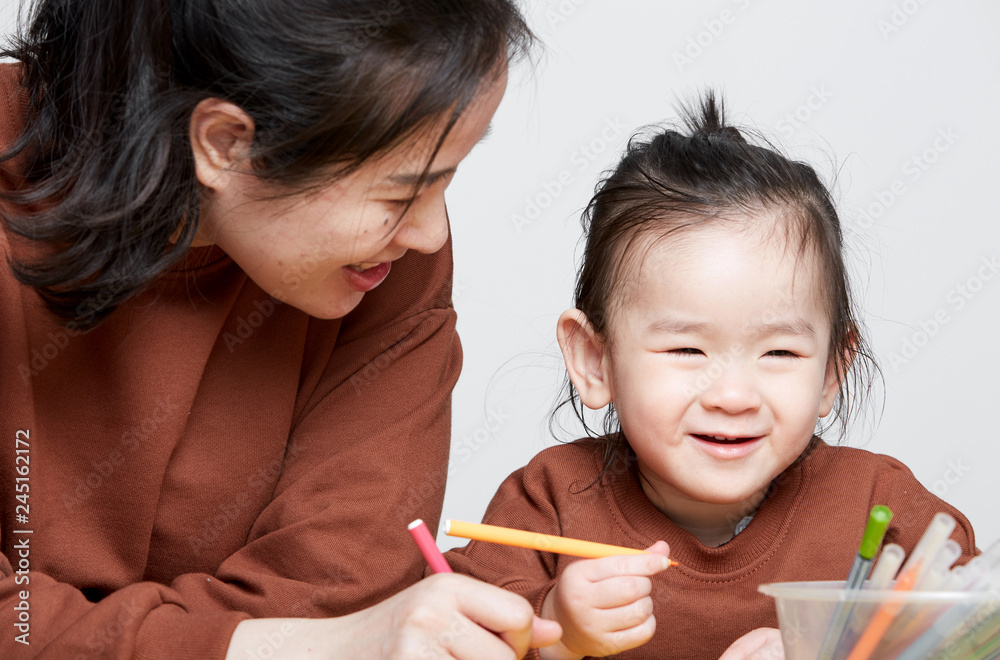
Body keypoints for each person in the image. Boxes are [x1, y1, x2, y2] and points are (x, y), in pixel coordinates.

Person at [0, 0, 562, 658]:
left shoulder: (384, 265)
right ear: (223, 144)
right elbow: (337, 639)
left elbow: (346, 594)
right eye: (399, 192)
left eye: (446, 180)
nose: (432, 234)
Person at [443, 93, 978, 660]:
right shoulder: (549, 501)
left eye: (779, 353)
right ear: (595, 360)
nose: (733, 395)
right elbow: (447, 636)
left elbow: (975, 633)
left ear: (830, 371)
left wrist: (839, 651)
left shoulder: (881, 508)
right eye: (686, 349)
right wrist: (554, 630)